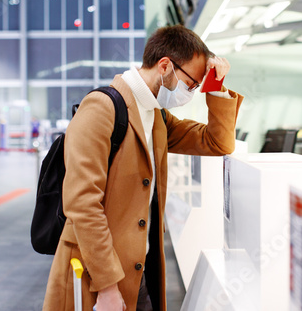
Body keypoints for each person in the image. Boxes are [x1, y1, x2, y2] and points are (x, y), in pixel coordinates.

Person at [42, 25, 243, 311]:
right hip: (97, 277)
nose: (192, 92)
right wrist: (107, 287)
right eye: (192, 84)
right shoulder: (102, 108)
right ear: (164, 66)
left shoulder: (156, 115)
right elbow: (83, 204)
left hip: (138, 271)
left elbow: (216, 142)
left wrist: (216, 87)